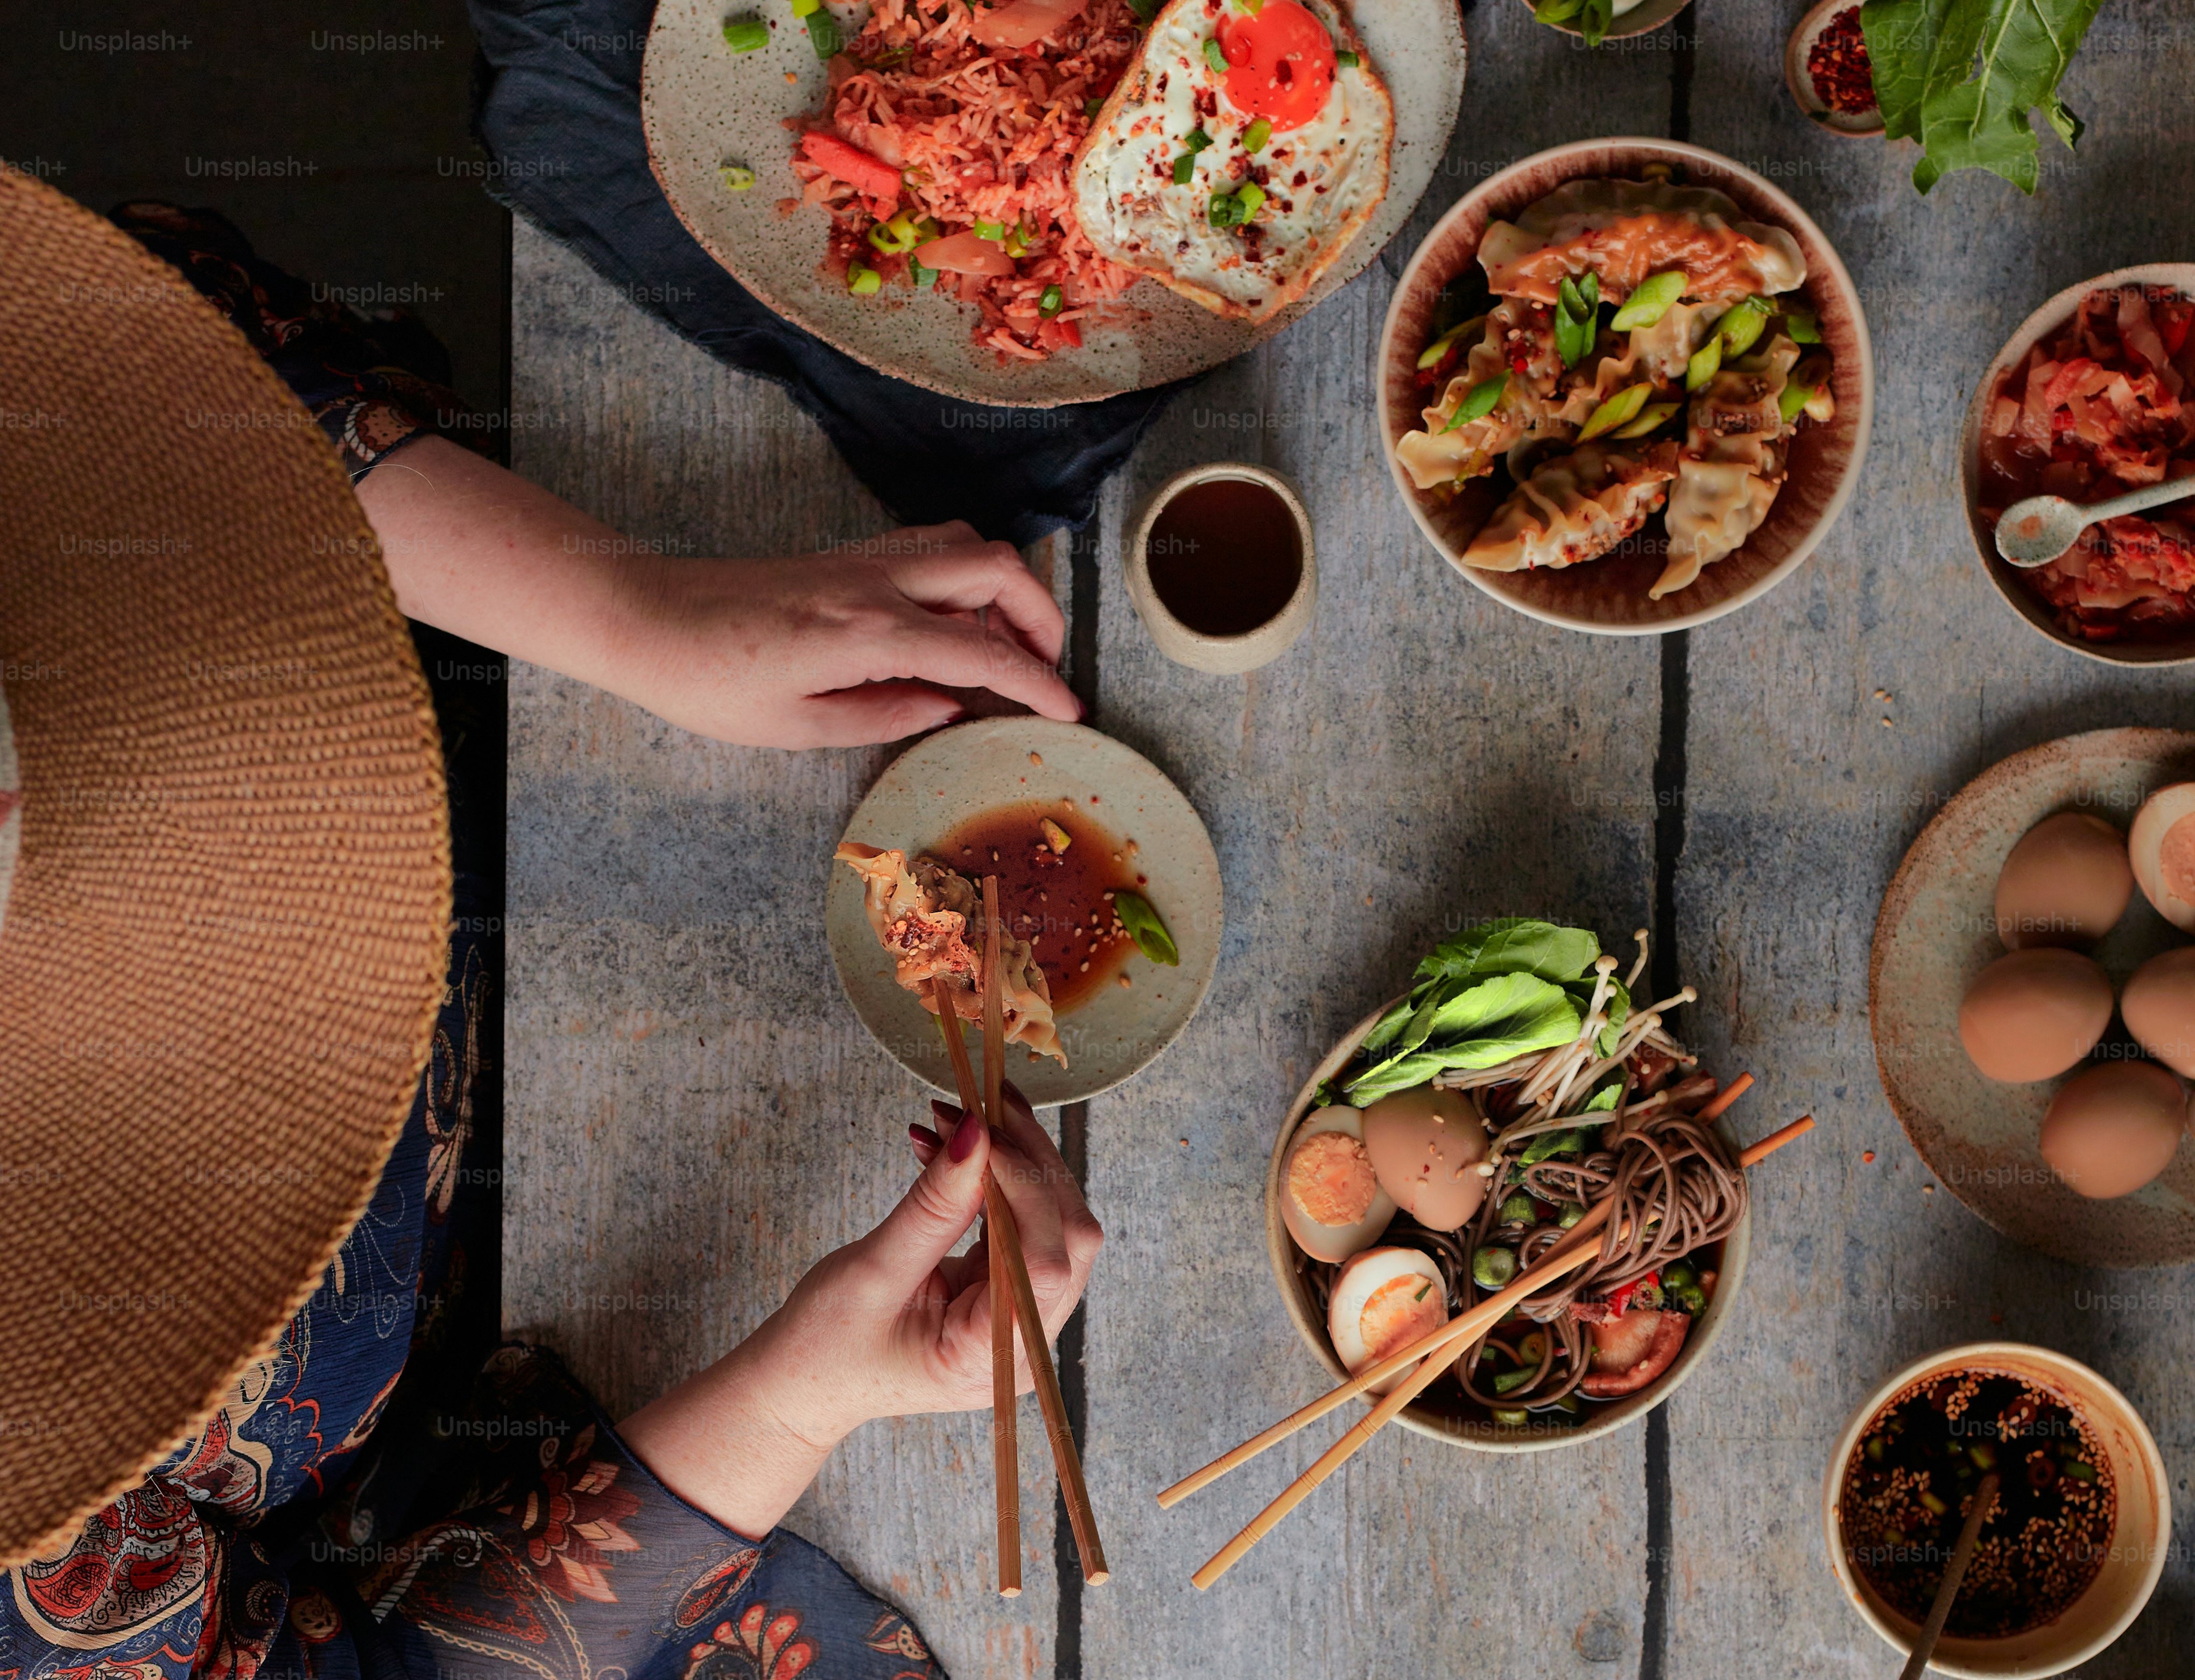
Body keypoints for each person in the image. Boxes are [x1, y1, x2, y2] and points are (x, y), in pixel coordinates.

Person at [0, 173, 1096, 1680]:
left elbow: (136, 366)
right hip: (404, 1410)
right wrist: (809, 1384)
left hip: (468, 883)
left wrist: (628, 609)